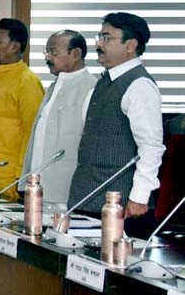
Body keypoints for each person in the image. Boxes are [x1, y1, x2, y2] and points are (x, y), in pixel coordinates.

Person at [68, 12, 165, 237]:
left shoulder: (140, 85)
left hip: (122, 207)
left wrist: (139, 197)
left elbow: (151, 147)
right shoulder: (101, 83)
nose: (99, 44)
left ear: (130, 45)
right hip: (85, 198)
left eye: (107, 38)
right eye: (99, 37)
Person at [19, 30, 96, 210]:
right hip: (37, 187)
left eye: (54, 52)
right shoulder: (54, 87)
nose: (48, 58)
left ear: (76, 54)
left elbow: (89, 146)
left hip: (65, 193)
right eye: (46, 52)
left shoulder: (91, 89)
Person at [0, 18, 44, 200]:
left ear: (15, 46)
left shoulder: (27, 82)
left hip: (13, 181)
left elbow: (31, 134)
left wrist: (21, 177)